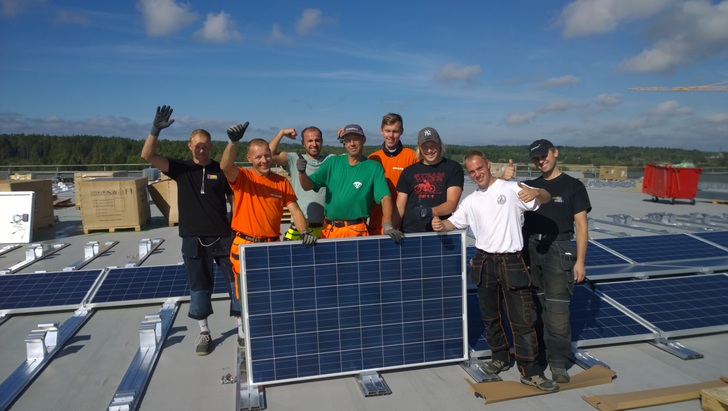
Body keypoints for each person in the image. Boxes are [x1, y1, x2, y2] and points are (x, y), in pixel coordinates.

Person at [431, 150, 558, 391]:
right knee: (491, 317)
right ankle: (500, 357)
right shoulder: (471, 201)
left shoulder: (511, 189)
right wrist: (440, 224)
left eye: (480, 168)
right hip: (483, 262)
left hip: (511, 261)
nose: (477, 174)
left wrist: (538, 191)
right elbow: (453, 223)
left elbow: (546, 198)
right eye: (472, 171)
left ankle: (530, 371)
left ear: (488, 165)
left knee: (522, 320)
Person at [140, 105, 238, 356]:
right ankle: (204, 332)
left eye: (206, 146)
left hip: (224, 238)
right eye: (198, 146)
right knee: (199, 287)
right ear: (189, 146)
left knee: (237, 284)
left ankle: (242, 330)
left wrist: (236, 225)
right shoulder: (180, 169)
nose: (202, 150)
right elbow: (148, 155)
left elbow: (234, 199)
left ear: (211, 146)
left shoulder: (221, 170)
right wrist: (155, 130)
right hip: (193, 239)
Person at [220, 124, 316, 323]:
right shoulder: (243, 177)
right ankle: (242, 331)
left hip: (271, 245)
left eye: (266, 155)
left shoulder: (281, 183)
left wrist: (304, 231)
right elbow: (225, 166)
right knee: (245, 296)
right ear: (249, 159)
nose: (264, 160)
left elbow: (295, 210)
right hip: (245, 245)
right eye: (258, 157)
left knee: (270, 295)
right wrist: (233, 142)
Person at [523, 139, 591, 384]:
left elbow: (582, 226)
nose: (541, 161)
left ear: (555, 153)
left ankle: (558, 363)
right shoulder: (529, 185)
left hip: (559, 248)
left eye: (544, 156)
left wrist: (580, 261)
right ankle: (540, 356)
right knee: (536, 308)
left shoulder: (573, 186)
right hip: (531, 248)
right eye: (536, 159)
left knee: (558, 310)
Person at [298, 124, 403, 242]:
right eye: (348, 140)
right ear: (344, 142)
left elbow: (385, 197)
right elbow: (307, 186)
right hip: (329, 231)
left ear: (363, 140)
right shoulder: (332, 163)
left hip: (356, 230)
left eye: (356, 139)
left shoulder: (373, 167)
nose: (352, 143)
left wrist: (388, 225)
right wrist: (302, 173)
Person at [395, 127, 464, 233]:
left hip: (439, 231)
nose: (429, 150)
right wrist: (392, 227)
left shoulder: (453, 168)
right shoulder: (408, 172)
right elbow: (400, 206)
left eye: (433, 145)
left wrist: (431, 211)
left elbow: (452, 204)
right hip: (409, 232)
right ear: (419, 148)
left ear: (440, 144)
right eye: (425, 147)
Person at [269, 126, 328, 240]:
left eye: (317, 140)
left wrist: (344, 137)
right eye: (309, 141)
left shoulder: (330, 160)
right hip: (299, 227)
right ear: (303, 143)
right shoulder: (294, 158)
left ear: (322, 141)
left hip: (324, 228)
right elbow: (269, 155)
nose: (314, 144)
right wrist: (281, 133)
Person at [367, 113, 417, 233]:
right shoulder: (373, 158)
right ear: (381, 131)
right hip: (377, 224)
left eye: (395, 131)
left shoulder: (412, 157)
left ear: (401, 132)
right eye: (387, 131)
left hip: (404, 224)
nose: (391, 135)